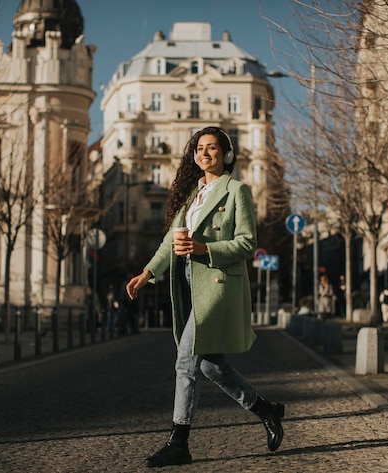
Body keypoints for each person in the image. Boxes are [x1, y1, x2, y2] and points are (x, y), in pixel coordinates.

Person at [126, 127, 284, 468]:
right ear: (194, 155)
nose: (205, 153)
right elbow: (171, 241)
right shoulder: (190, 197)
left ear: (226, 154)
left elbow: (245, 243)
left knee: (186, 362)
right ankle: (266, 409)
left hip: (216, 286)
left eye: (212, 148)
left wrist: (204, 248)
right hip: (187, 284)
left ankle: (178, 442)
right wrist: (147, 273)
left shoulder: (236, 190)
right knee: (211, 367)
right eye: (200, 148)